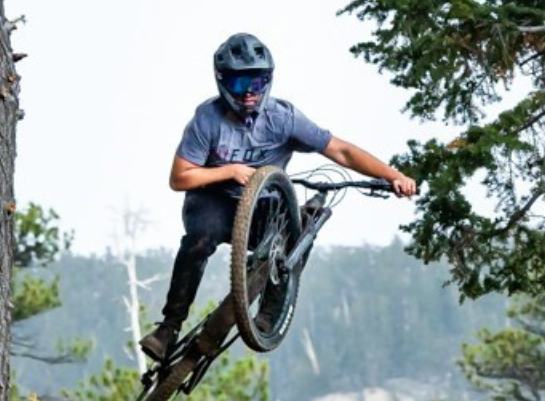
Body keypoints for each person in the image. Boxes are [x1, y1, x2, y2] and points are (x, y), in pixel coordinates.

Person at [139, 32, 419, 361]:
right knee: (198, 240)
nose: (249, 94)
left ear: (268, 81)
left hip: (263, 207)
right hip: (214, 200)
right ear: (222, 82)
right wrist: (229, 171)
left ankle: (268, 314)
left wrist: (393, 176)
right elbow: (180, 178)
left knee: (296, 233)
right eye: (240, 84)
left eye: (256, 83)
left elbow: (340, 150)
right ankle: (168, 328)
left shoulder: (282, 118)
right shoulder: (207, 119)